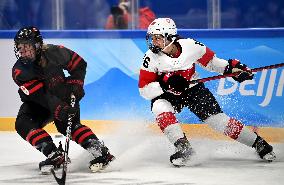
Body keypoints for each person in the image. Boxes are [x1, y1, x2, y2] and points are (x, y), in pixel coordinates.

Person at [138, 18, 276, 166]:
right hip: (166, 95)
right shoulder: (150, 58)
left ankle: (258, 143)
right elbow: (144, 90)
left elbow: (212, 63)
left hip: (193, 90)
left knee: (219, 121)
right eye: (152, 38)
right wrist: (165, 86)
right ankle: (184, 149)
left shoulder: (191, 46)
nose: (154, 42)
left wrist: (232, 69)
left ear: (170, 38)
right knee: (159, 107)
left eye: (158, 38)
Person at [12, 26, 115, 174]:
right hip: (39, 104)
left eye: (26, 46)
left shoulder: (56, 52)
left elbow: (79, 64)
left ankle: (101, 152)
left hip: (63, 95)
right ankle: (55, 154)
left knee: (70, 126)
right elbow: (41, 96)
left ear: (37, 45)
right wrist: (59, 108)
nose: (22, 52)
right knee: (23, 123)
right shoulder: (19, 71)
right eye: (20, 47)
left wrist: (76, 86)